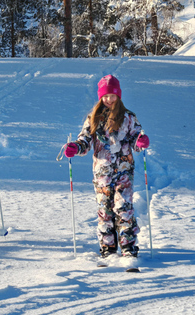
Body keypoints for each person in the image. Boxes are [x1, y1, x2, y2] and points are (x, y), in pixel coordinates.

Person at [63, 75, 149, 258]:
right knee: (104, 211)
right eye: (105, 96)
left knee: (124, 208)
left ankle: (128, 246)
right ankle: (108, 247)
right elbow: (84, 140)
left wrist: (140, 141)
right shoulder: (93, 118)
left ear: (118, 95)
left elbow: (135, 138)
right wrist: (75, 147)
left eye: (112, 95)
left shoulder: (128, 117)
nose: (109, 99)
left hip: (124, 172)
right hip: (102, 173)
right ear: (100, 97)